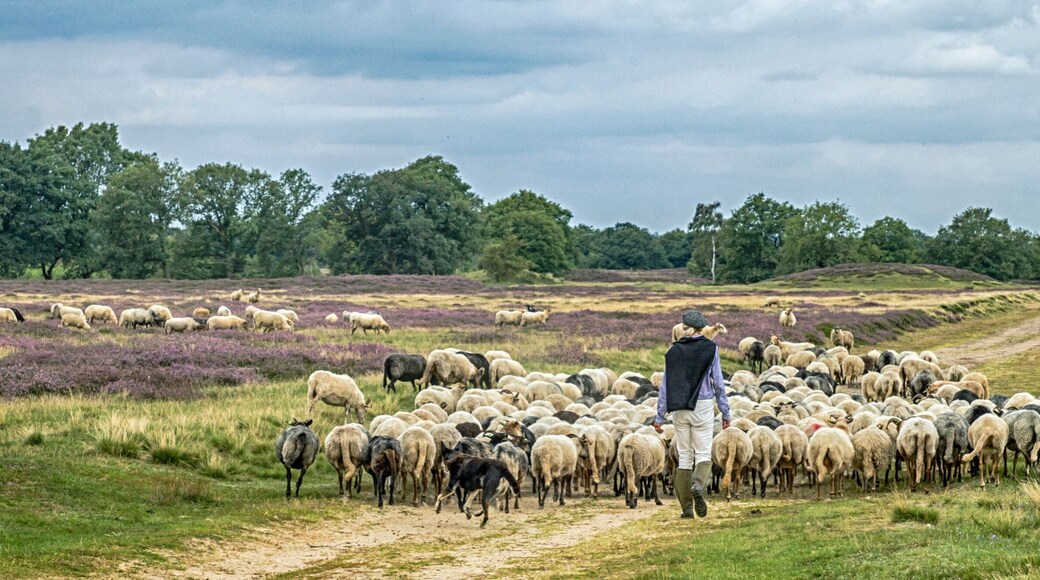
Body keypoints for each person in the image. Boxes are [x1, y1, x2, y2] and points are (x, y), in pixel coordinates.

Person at [654, 309, 730, 519]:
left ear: (685, 326)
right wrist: (725, 411)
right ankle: (698, 486)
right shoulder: (710, 349)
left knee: (685, 457)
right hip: (703, 405)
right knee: (703, 452)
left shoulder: (674, 350)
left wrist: (659, 416)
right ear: (702, 327)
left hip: (679, 408)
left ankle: (687, 508)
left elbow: (665, 386)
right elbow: (718, 382)